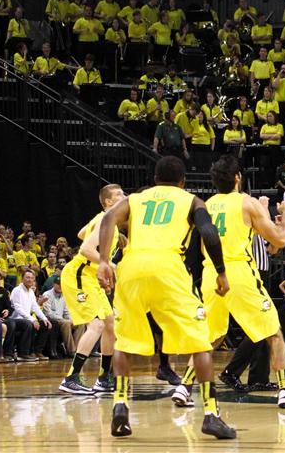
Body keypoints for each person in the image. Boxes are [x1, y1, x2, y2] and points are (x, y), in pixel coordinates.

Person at [95, 156, 234, 439]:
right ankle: (211, 414)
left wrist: (103, 261)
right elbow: (208, 232)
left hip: (131, 268)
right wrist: (220, 271)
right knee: (200, 343)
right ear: (182, 181)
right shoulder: (192, 200)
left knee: (124, 339)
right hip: (169, 268)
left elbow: (108, 218)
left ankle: (120, 403)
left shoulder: (136, 199)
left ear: (155, 179)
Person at [171, 155, 285, 410]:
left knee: (211, 336)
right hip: (239, 271)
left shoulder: (206, 204)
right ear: (237, 178)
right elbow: (279, 241)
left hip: (211, 272)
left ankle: (184, 386)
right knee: (274, 333)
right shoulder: (247, 202)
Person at [58, 184, 125, 395]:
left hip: (90, 278)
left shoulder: (106, 221)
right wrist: (109, 264)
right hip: (78, 275)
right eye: (119, 194)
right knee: (95, 325)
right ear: (109, 202)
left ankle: (105, 378)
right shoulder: (106, 221)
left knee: (110, 324)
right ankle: (71, 378)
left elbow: (81, 234)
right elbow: (85, 248)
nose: (124, 196)